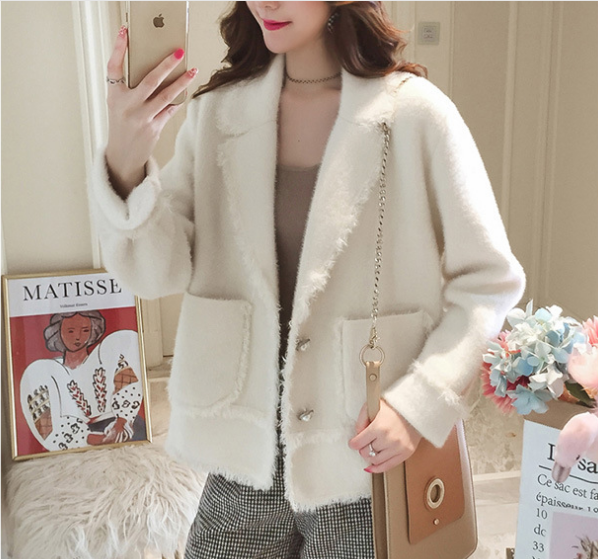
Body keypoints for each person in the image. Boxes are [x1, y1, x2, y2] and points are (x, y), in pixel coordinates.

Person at [90, 1, 526, 557]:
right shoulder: (217, 115)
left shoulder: (416, 115)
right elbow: (154, 272)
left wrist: (418, 406)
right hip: (243, 451)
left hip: (362, 453)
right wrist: (126, 160)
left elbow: (488, 282)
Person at [21, 311, 145, 451]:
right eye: (70, 331)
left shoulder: (108, 353)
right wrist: (97, 439)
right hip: (78, 442)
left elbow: (129, 387)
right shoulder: (45, 372)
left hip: (125, 429)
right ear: (57, 332)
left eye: (85, 330)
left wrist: (120, 424)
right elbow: (47, 428)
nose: (78, 337)